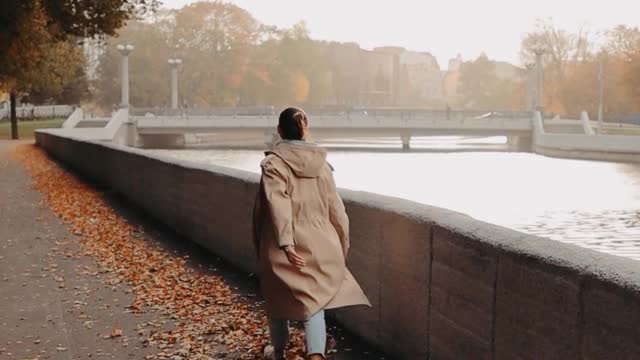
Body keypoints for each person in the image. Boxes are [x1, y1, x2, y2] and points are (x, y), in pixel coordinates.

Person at [253, 107, 370, 360]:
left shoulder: (274, 164)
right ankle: (315, 355)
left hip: (284, 239)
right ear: (305, 130)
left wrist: (286, 243)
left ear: (279, 130)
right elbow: (336, 208)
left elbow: (278, 203)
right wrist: (342, 241)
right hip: (322, 239)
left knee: (278, 298)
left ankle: (279, 352)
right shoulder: (322, 165)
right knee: (315, 302)